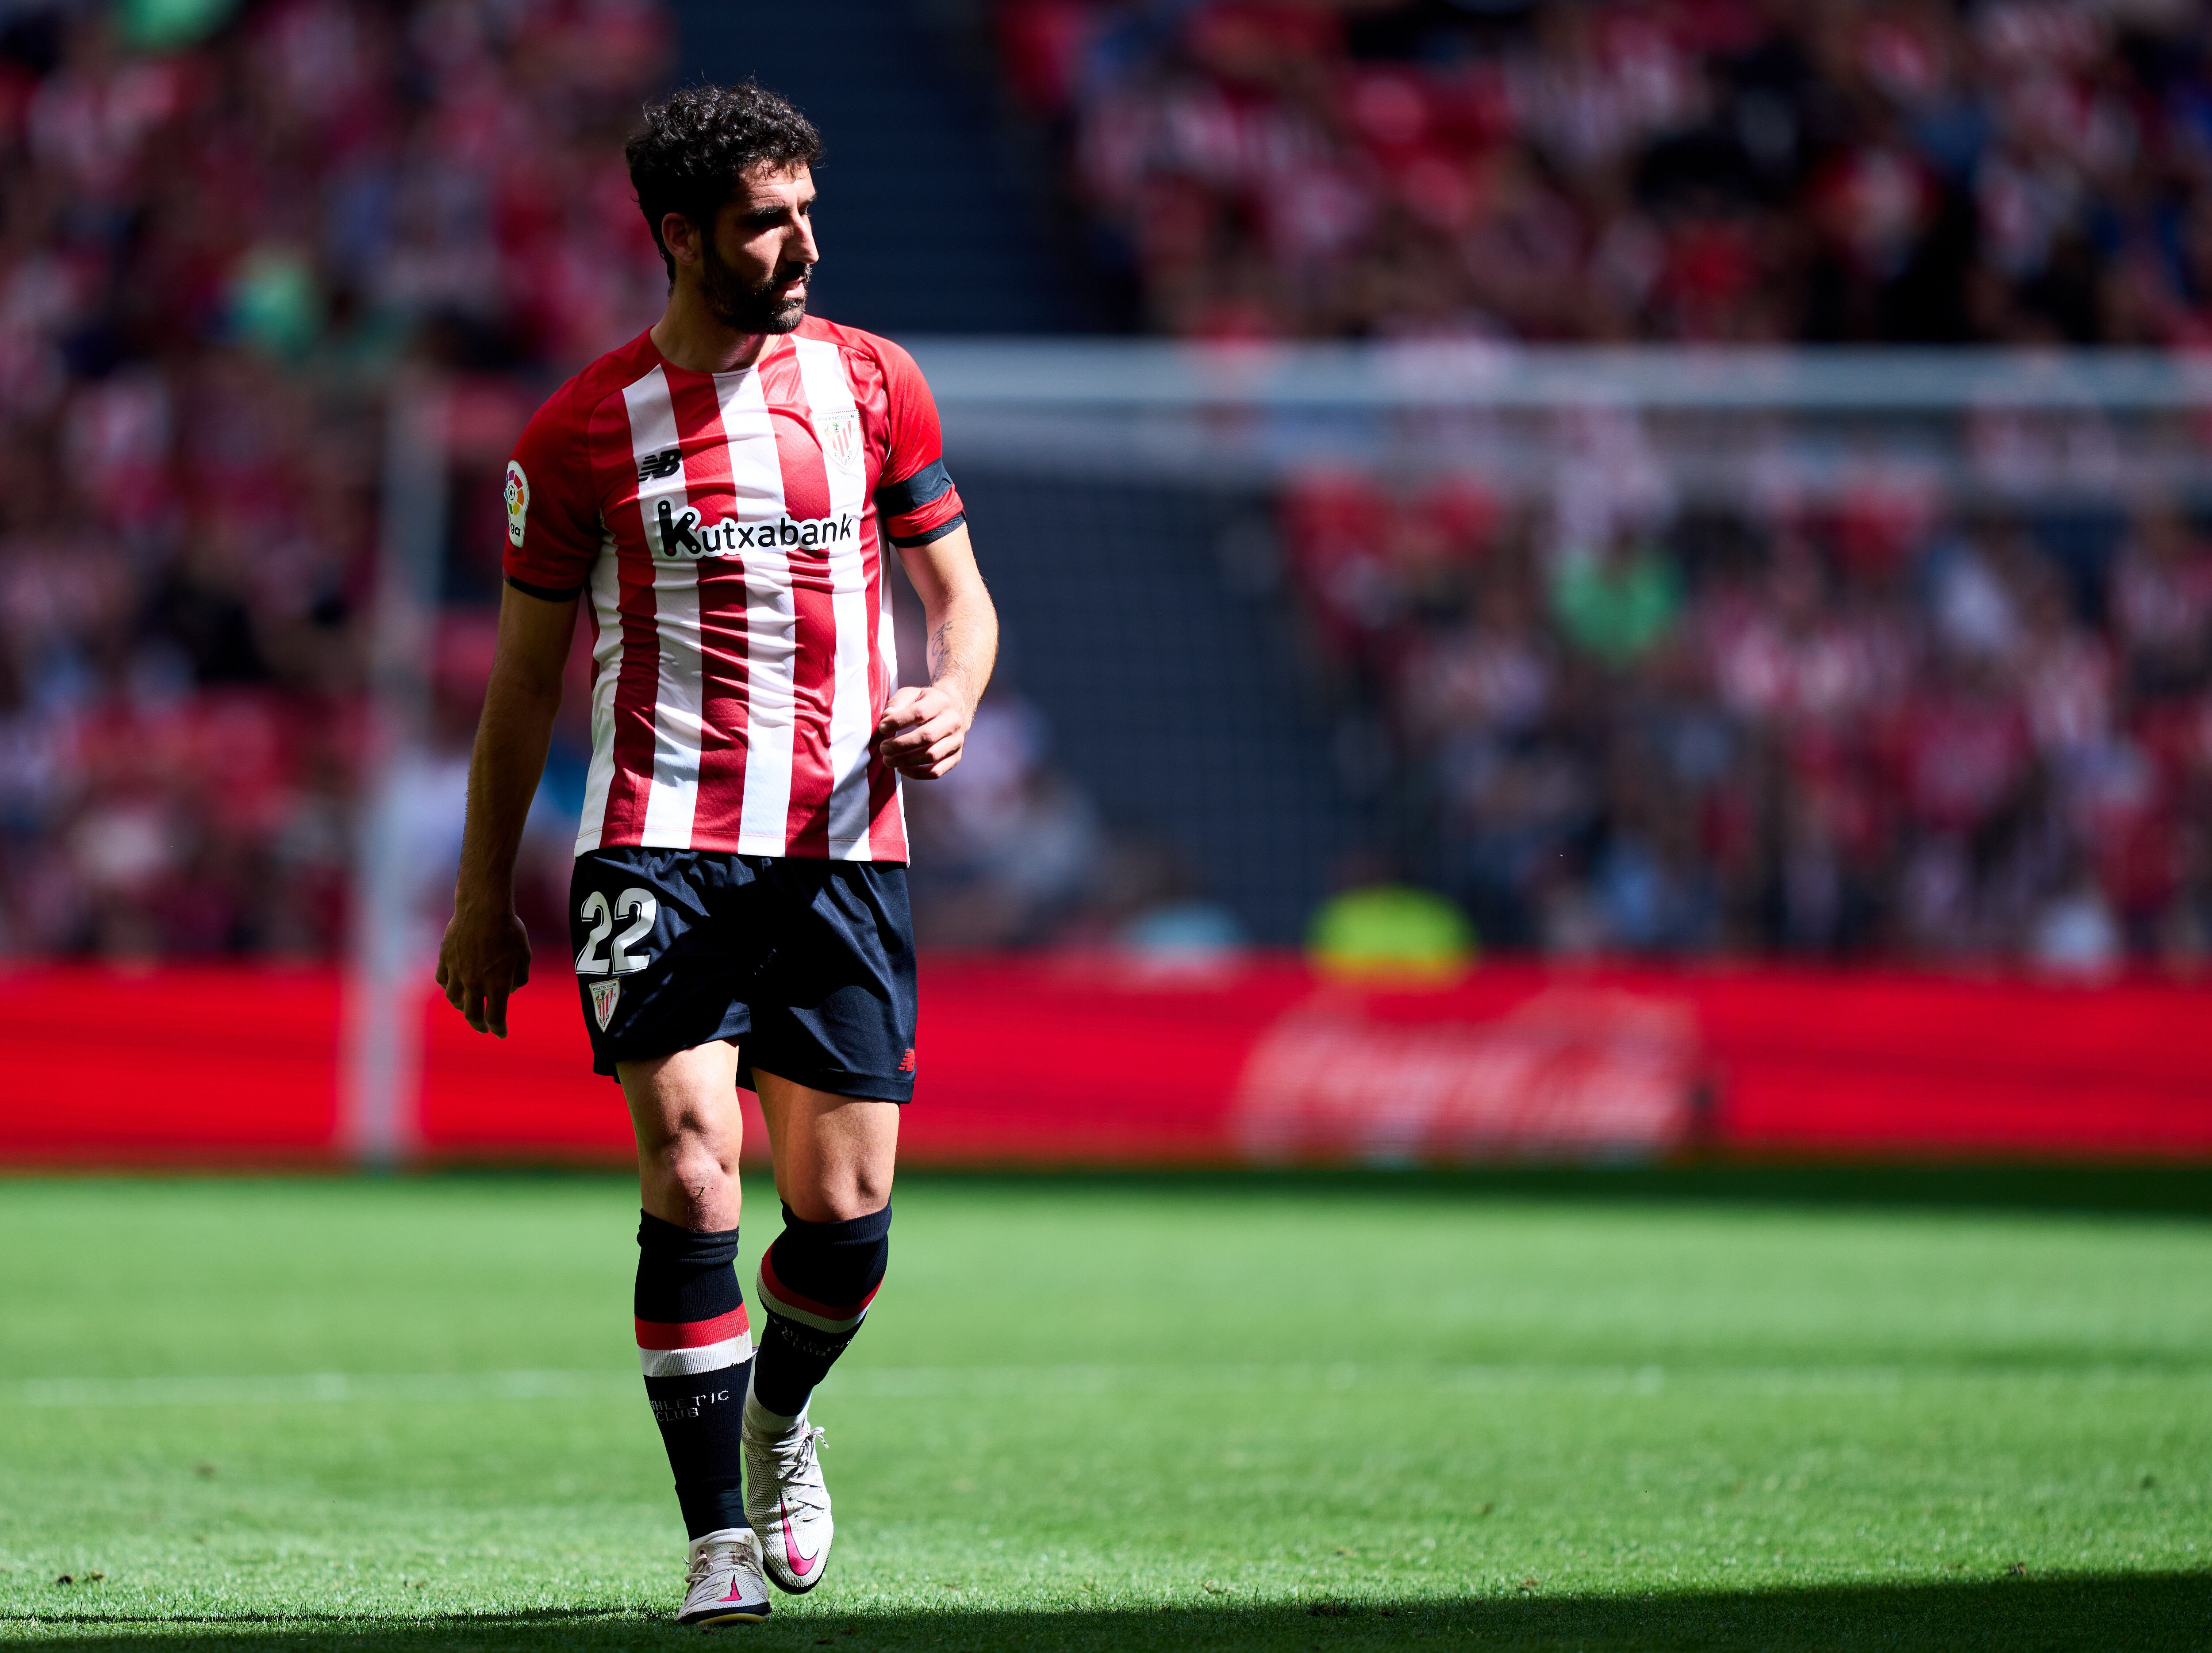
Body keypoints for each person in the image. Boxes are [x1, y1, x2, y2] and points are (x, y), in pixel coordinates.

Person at [434, 81, 997, 1627]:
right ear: (682, 237)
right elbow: (521, 689)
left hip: (841, 851)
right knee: (694, 1171)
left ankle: (780, 1417)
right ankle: (713, 1545)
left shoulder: (876, 388)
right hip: (658, 848)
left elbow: (964, 601)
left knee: (844, 1212)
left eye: (810, 207)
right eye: (769, 218)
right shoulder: (579, 433)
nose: (804, 239)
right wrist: (486, 897)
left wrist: (950, 694)